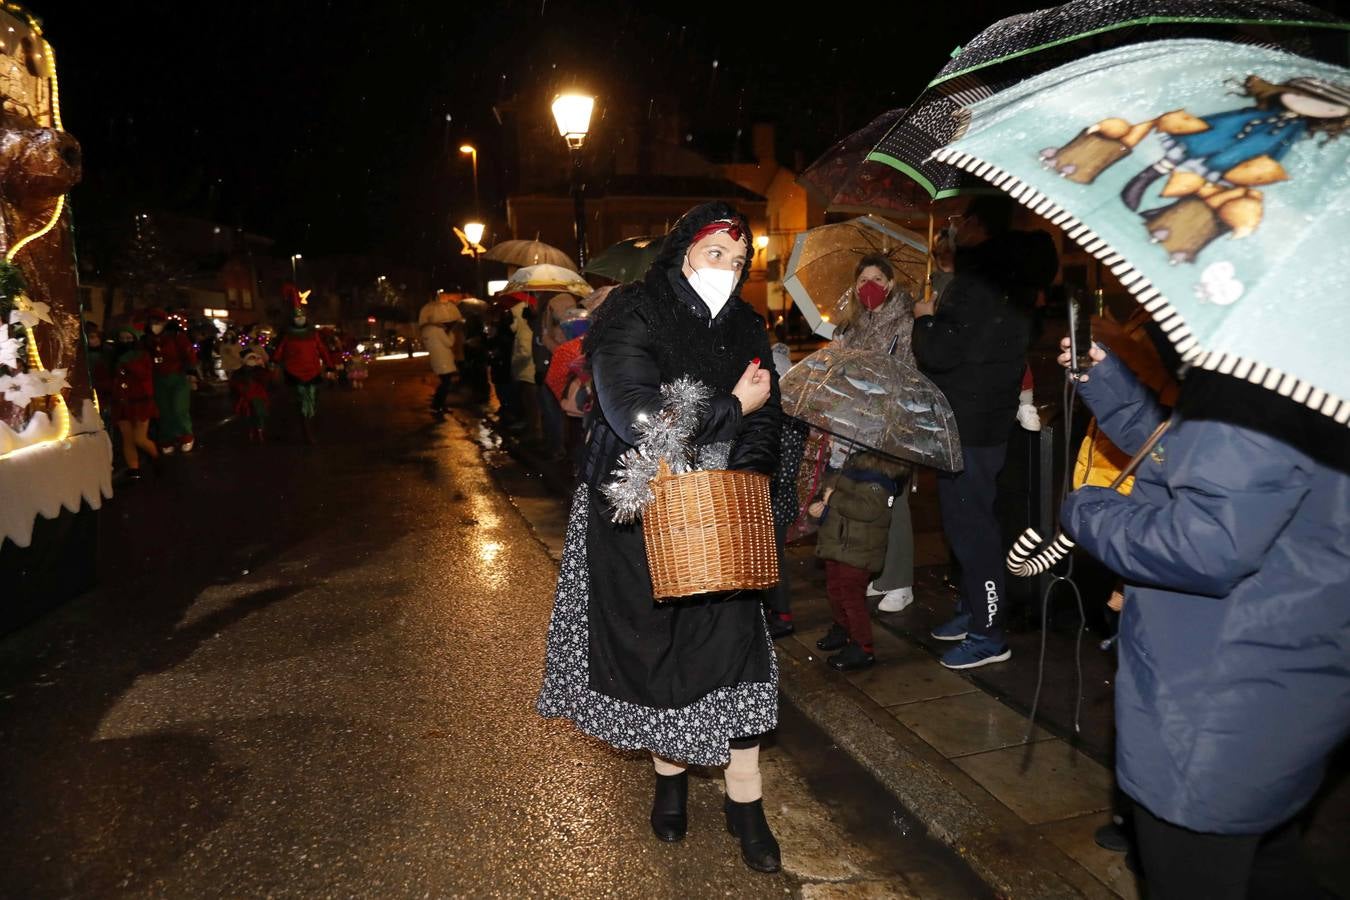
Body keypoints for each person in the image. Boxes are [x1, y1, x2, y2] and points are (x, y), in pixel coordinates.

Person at [538, 202, 783, 874]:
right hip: (634, 511)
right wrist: (734, 408)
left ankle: (746, 800)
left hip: (719, 518)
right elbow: (635, 411)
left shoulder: (746, 324)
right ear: (683, 251)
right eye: (715, 255)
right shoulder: (634, 311)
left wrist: (743, 479)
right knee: (655, 654)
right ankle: (669, 782)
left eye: (739, 262)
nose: (726, 272)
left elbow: (770, 419)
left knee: (735, 656)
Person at [1058, 337, 1350, 900]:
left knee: (1198, 872)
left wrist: (1088, 509)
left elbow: (1206, 543)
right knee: (1266, 861)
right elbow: (1205, 466)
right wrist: (1112, 388)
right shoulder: (1312, 361)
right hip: (1289, 678)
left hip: (1216, 700)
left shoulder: (1255, 372)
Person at [912, 195, 1058, 670]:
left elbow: (943, 352)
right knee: (967, 522)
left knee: (972, 527)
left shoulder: (980, 286)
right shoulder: (1005, 282)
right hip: (980, 420)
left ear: (978, 226)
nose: (953, 228)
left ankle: (989, 632)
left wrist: (925, 319)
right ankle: (976, 608)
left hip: (970, 425)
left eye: (959, 220)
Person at [831, 254, 919, 615]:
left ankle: (901, 582)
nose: (870, 285)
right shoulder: (852, 323)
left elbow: (907, 373)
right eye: (863, 278)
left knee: (893, 501)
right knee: (868, 497)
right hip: (858, 421)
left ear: (891, 284)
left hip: (893, 421)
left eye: (878, 279)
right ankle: (882, 575)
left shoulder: (905, 323)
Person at [810, 449, 911, 670]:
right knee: (835, 591)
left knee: (851, 598)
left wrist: (833, 498)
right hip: (838, 545)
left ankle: (862, 646)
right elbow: (833, 498)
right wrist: (821, 509)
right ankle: (843, 628)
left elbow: (867, 510)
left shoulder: (879, 481)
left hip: (858, 551)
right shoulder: (852, 470)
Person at [272, 303, 334, 443]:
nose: (299, 319)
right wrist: (274, 361)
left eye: (302, 316)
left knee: (311, 401)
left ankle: (307, 426)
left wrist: (330, 366)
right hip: (294, 372)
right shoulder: (288, 335)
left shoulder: (313, 334)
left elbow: (322, 350)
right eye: (297, 317)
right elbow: (280, 350)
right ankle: (306, 430)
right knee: (300, 403)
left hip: (312, 371)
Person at [144, 308, 198, 454]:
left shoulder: (176, 337)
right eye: (152, 321)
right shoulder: (147, 339)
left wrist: (191, 371)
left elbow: (188, 354)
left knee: (179, 408)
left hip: (177, 376)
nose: (155, 324)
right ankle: (166, 438)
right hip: (158, 378)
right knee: (163, 410)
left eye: (158, 321)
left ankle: (185, 436)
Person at [108, 324, 159, 479]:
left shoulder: (143, 356)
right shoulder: (112, 357)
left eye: (129, 338)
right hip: (122, 403)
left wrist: (127, 364)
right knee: (127, 438)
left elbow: (144, 374)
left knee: (139, 438)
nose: (125, 341)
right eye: (122, 338)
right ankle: (133, 468)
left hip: (140, 403)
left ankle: (156, 456)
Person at [418, 294, 463, 416]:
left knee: (444, 383)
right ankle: (437, 405)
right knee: (445, 384)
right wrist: (450, 333)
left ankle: (440, 405)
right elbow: (449, 343)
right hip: (444, 361)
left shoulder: (425, 330)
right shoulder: (438, 330)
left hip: (436, 360)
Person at [231, 345, 271, 442]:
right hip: (246, 397)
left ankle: (259, 431)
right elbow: (234, 384)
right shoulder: (239, 372)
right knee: (248, 415)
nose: (253, 359)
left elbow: (268, 380)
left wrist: (263, 368)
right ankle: (251, 432)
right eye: (250, 358)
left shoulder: (259, 370)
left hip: (258, 396)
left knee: (259, 414)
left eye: (254, 357)